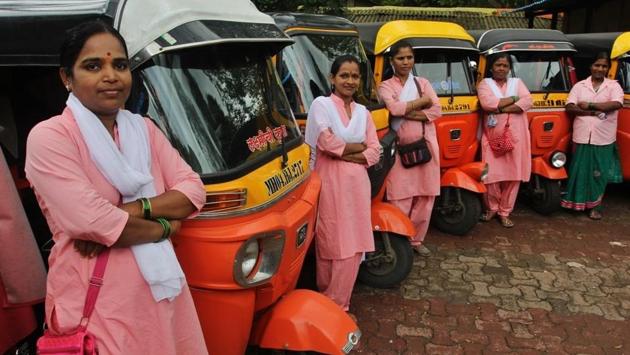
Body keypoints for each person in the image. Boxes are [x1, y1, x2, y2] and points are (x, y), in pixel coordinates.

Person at [24, 21, 208, 354]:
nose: (111, 75)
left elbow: (194, 190)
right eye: (93, 66)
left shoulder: (144, 130)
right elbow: (91, 222)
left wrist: (135, 211)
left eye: (120, 65)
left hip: (162, 292)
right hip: (97, 304)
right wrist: (168, 226)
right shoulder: (51, 137)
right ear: (67, 77)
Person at [304, 55, 380, 312]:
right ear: (332, 79)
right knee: (332, 241)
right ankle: (328, 302)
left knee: (354, 242)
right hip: (330, 184)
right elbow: (326, 143)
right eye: (344, 75)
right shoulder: (321, 105)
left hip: (358, 186)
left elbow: (375, 150)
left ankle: (340, 304)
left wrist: (348, 152)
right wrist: (358, 149)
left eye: (355, 76)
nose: (349, 81)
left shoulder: (363, 112)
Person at [377, 41, 441, 254]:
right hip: (399, 148)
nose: (405, 62)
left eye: (409, 57)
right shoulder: (386, 86)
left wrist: (409, 110)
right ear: (392, 61)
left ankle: (416, 241)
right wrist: (421, 103)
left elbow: (436, 110)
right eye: (400, 58)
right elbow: (394, 109)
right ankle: (399, 240)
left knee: (425, 195)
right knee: (399, 195)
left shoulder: (422, 83)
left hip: (426, 145)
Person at [562, 52, 623, 220]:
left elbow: (616, 104)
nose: (600, 69)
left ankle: (595, 207)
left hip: (603, 138)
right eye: (597, 65)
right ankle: (576, 204)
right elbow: (570, 107)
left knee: (599, 173)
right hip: (582, 135)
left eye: (604, 66)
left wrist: (590, 104)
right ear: (591, 67)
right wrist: (594, 111)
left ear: (607, 69)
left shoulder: (613, 86)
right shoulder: (580, 86)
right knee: (579, 171)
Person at [477, 53, 533, 228]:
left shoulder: (517, 83)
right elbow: (487, 104)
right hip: (492, 137)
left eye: (505, 66)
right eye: (498, 65)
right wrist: (514, 100)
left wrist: (501, 108)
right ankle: (492, 208)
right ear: (492, 67)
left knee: (513, 176)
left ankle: (505, 211)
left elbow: (528, 101)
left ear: (509, 68)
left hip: (517, 138)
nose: (501, 68)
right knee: (491, 174)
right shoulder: (485, 84)